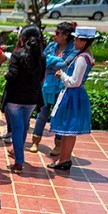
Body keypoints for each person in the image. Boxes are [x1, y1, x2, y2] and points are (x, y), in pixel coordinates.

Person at [48, 27, 98, 171]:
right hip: (74, 94)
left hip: (72, 94)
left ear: (84, 41)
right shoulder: (86, 56)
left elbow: (74, 81)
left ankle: (64, 160)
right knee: (68, 130)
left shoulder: (82, 58)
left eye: (77, 39)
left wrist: (62, 75)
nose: (74, 41)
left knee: (68, 130)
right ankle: (64, 159)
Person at [2, 25, 45, 174]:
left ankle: (19, 161)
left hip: (15, 98)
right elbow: (41, 78)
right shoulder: (42, 57)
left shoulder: (16, 55)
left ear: (21, 39)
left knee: (17, 129)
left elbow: (12, 73)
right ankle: (16, 152)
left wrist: (6, 76)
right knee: (24, 126)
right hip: (32, 99)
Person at [31, 22, 77, 155]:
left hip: (62, 86)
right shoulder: (51, 46)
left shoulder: (73, 49)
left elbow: (65, 65)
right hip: (47, 86)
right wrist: (54, 65)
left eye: (57, 33)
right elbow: (41, 61)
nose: (53, 35)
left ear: (65, 36)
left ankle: (58, 144)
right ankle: (35, 140)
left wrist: (50, 64)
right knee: (42, 114)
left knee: (58, 115)